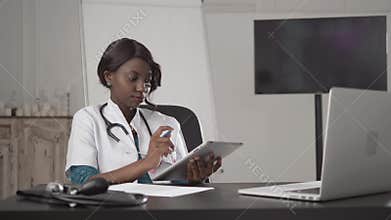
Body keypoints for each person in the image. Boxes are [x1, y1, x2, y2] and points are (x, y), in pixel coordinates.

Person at [65, 38, 221, 185]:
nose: (141, 88)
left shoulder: (167, 123)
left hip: (162, 210)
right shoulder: (88, 119)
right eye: (133, 78)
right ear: (108, 77)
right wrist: (147, 163)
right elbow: (85, 181)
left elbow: (177, 181)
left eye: (147, 80)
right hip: (111, 211)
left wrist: (194, 178)